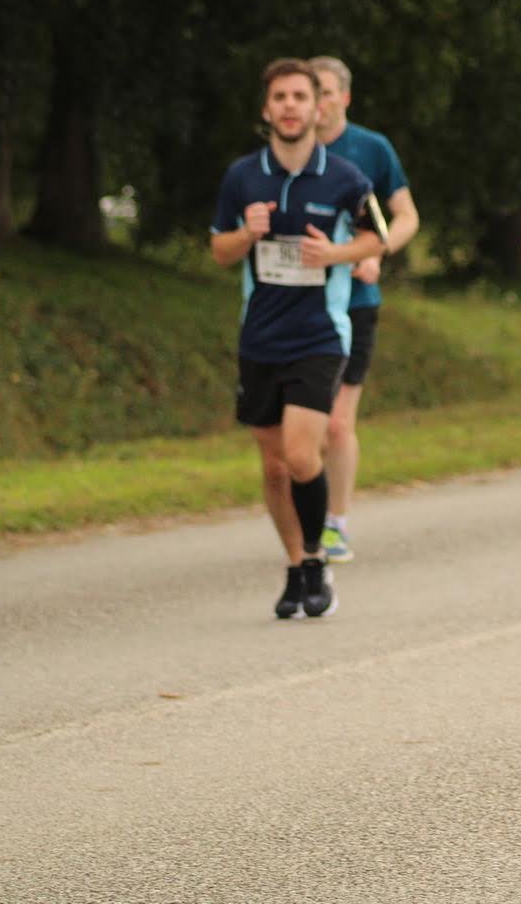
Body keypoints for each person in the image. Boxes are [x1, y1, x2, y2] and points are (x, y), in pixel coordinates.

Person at [209, 58, 384, 620]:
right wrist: (247, 232)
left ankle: (317, 559)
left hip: (320, 336)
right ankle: (295, 566)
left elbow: (376, 238)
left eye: (300, 97)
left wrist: (334, 253)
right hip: (260, 337)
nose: (290, 106)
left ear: (317, 107)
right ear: (267, 109)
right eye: (280, 97)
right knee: (274, 467)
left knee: (302, 453)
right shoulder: (243, 176)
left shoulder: (346, 178)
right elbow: (219, 250)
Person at [309, 56, 420, 563]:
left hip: (354, 304)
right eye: (311, 92)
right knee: (303, 429)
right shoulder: (290, 154)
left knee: (336, 424)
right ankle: (306, 517)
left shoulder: (370, 149)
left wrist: (377, 251)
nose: (318, 102)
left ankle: (335, 524)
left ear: (345, 97)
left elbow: (406, 216)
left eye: (327, 92)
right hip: (298, 304)